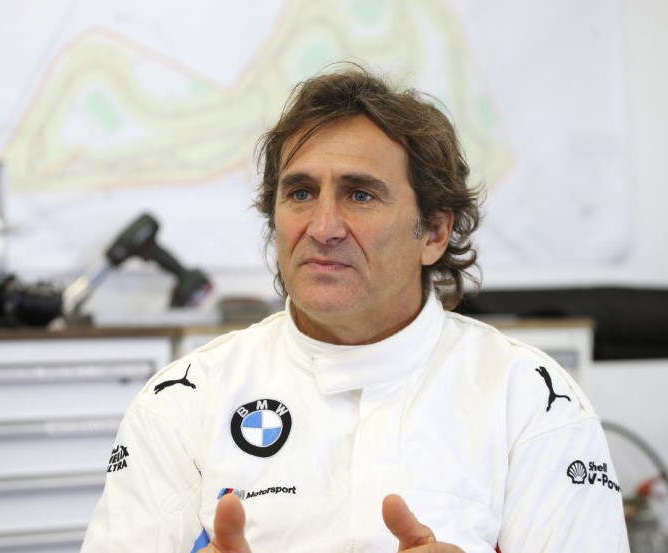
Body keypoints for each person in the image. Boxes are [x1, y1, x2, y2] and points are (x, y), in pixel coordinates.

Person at [80, 65, 629, 552]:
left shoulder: (530, 401)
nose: (322, 227)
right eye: (300, 193)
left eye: (360, 195)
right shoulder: (183, 401)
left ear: (434, 232)